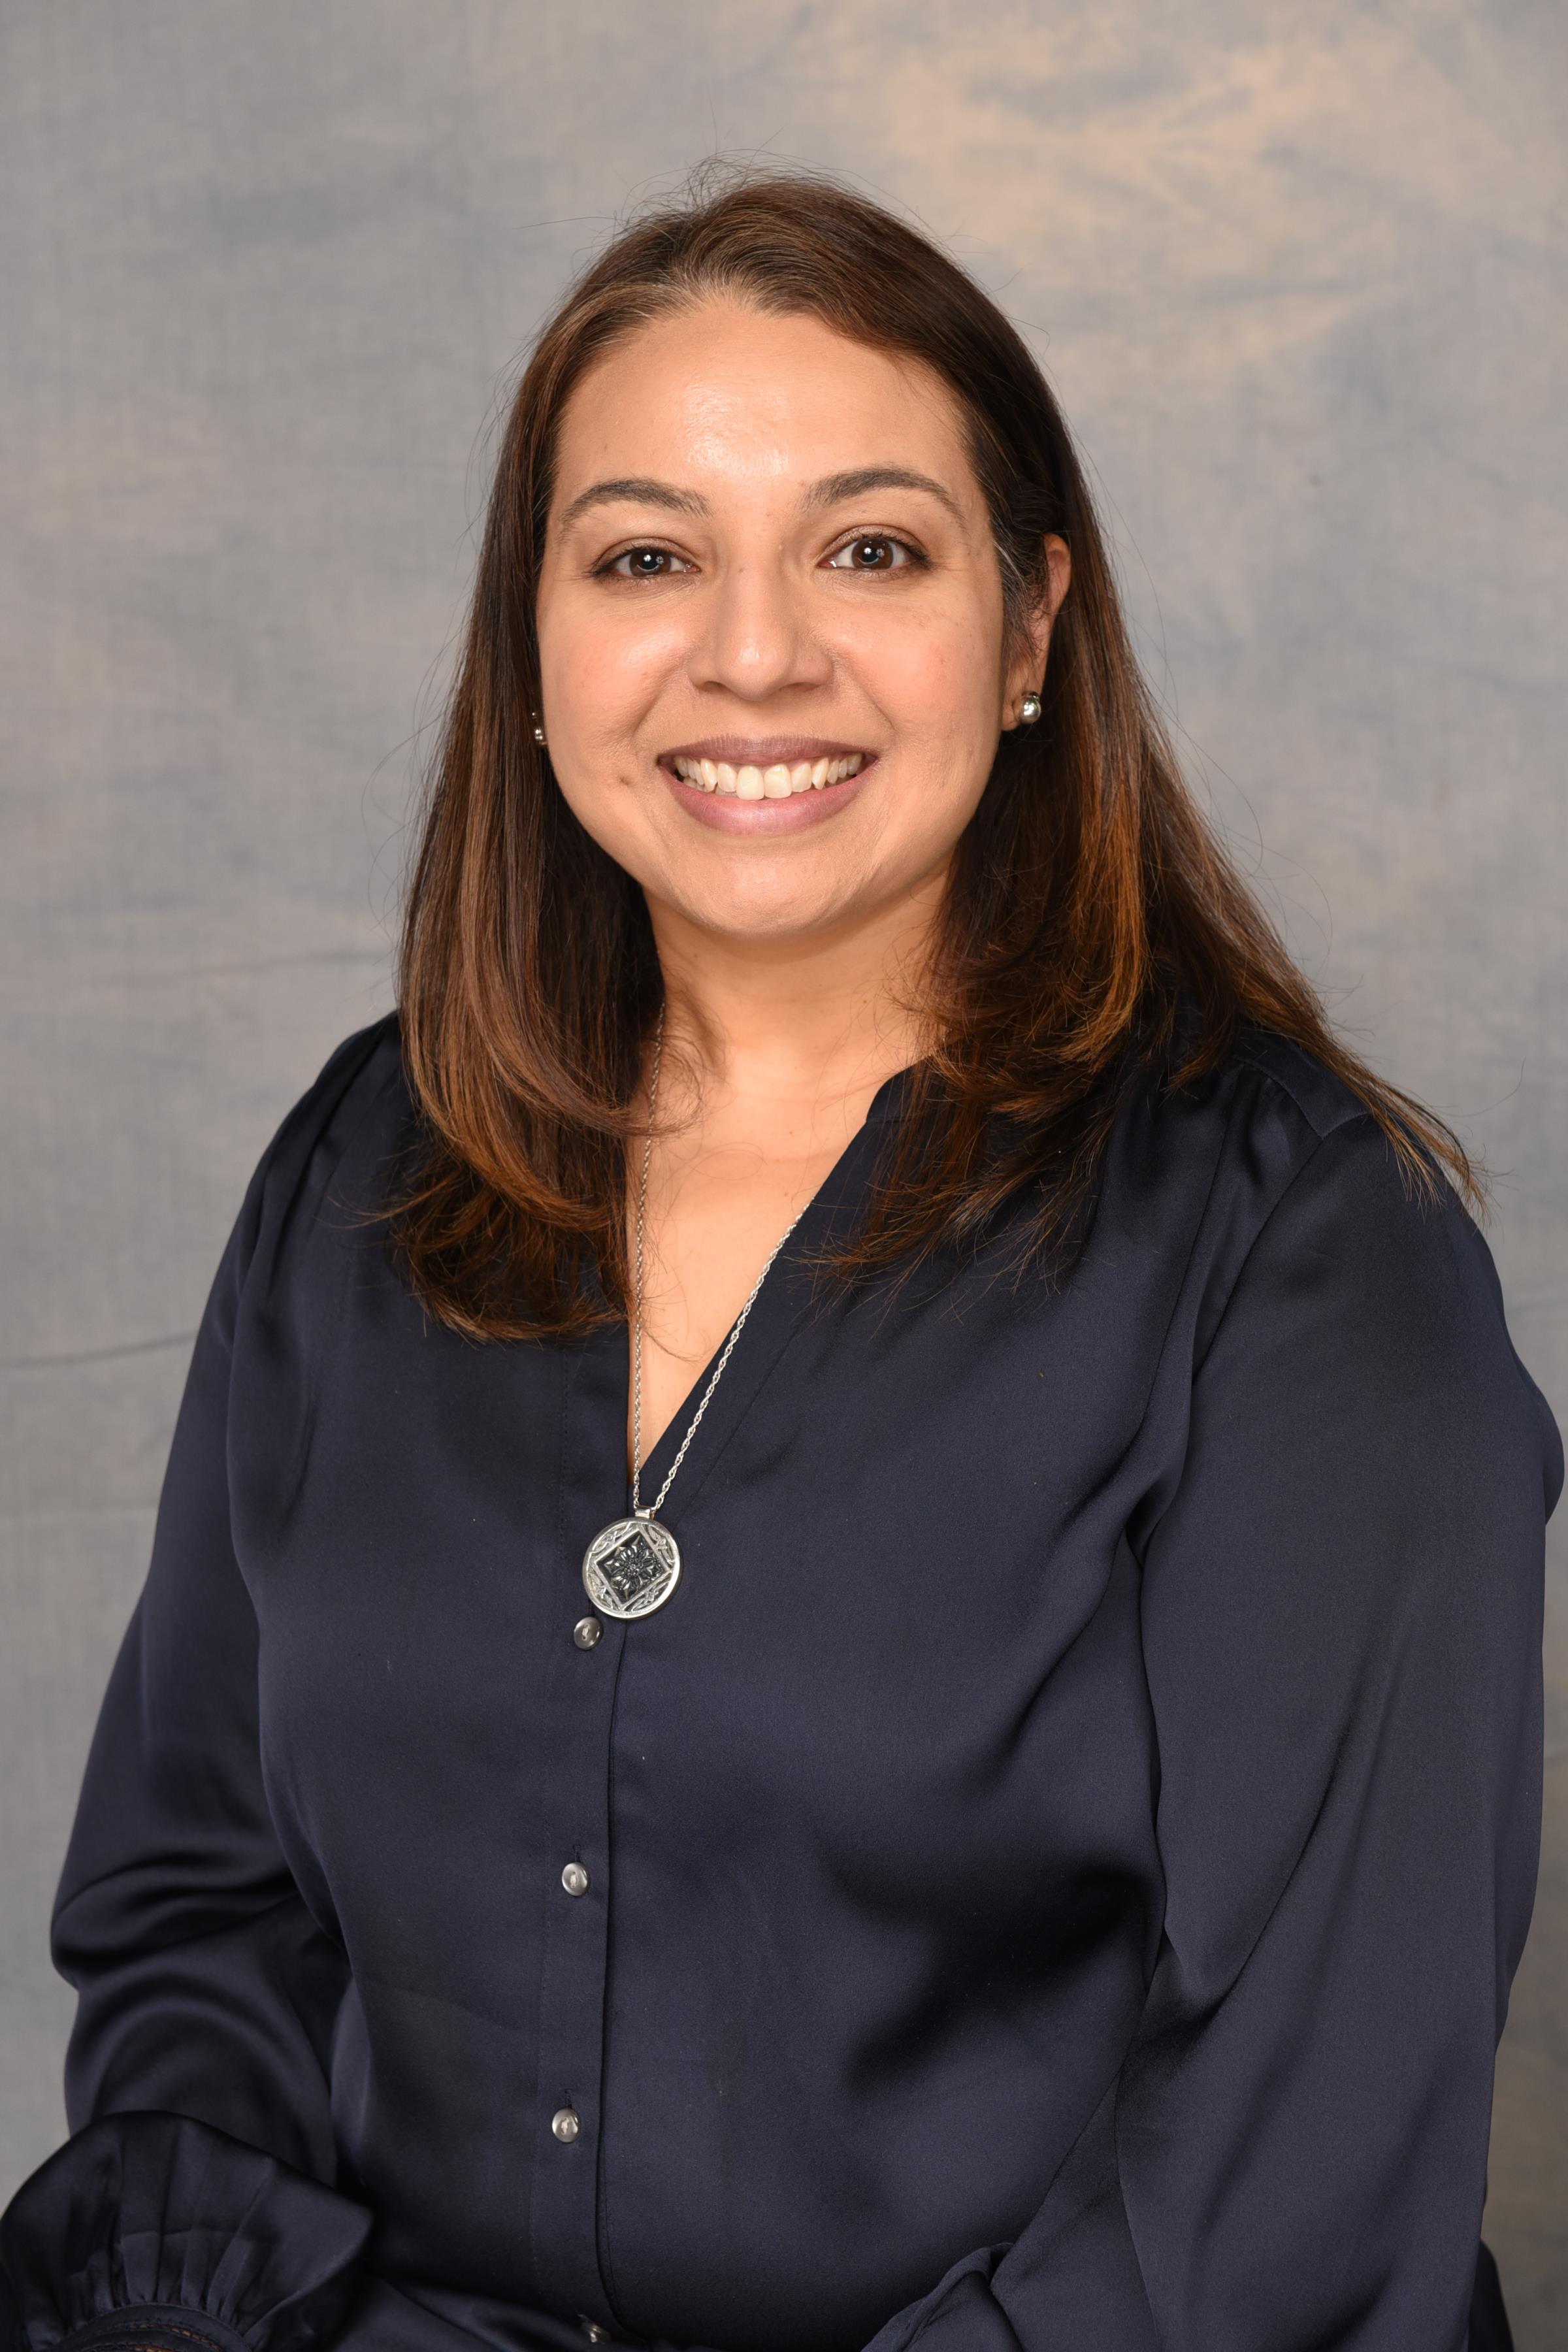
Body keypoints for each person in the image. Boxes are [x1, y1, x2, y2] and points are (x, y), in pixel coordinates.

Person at [0, 169, 1557, 2352]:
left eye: (871, 549)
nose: (753, 650)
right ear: (533, 648)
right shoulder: (368, 1164)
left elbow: (1298, 2152)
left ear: (1026, 628)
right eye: (647, 556)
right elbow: (199, 1913)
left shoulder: (1301, 1257)